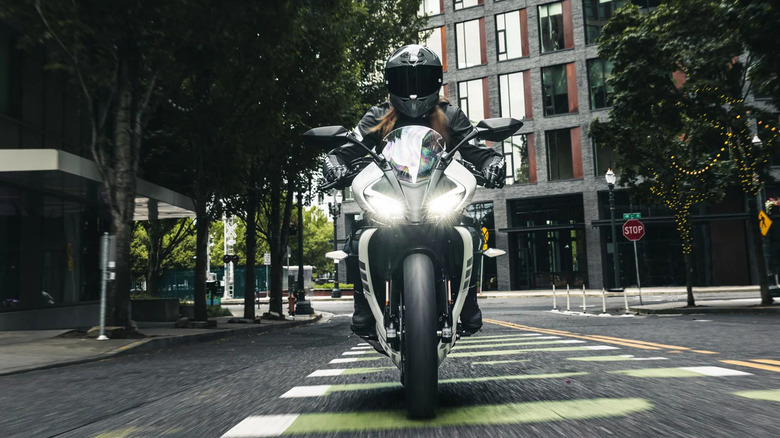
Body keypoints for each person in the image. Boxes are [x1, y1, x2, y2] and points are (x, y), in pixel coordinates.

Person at [322, 44, 505, 337]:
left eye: (420, 79)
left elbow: (475, 151)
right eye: (405, 80)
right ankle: (363, 307)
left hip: (435, 197)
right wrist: (333, 163)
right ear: (391, 83)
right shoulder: (378, 116)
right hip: (392, 198)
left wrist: (494, 161)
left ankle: (468, 303)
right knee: (359, 236)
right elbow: (346, 149)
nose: (412, 89)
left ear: (435, 81)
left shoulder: (450, 115)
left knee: (469, 231)